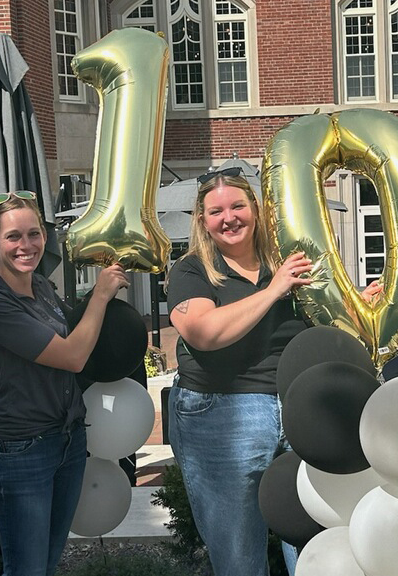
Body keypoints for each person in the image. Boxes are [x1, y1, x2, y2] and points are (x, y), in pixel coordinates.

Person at [0, 191, 130, 576]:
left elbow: (79, 339)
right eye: (13, 237)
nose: (26, 246)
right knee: (26, 570)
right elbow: (72, 356)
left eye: (34, 234)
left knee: (47, 562)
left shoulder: (41, 287)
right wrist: (101, 295)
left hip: (68, 440)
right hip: (22, 448)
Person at [165, 168, 311, 576]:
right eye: (216, 211)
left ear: (256, 210)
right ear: (202, 221)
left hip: (298, 410)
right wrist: (273, 290)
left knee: (317, 553)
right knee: (239, 561)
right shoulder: (192, 270)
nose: (228, 218)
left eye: (237, 206)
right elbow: (203, 332)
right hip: (220, 415)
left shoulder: (284, 264)